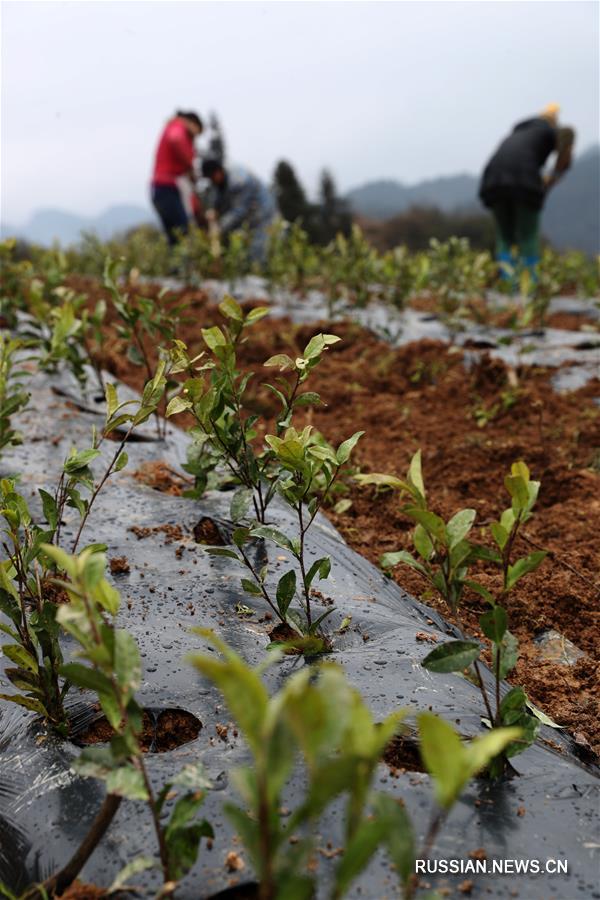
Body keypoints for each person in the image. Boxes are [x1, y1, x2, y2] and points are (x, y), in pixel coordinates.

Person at [479, 104, 575, 280]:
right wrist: (553, 175)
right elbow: (565, 146)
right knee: (528, 235)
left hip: (492, 180)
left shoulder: (518, 132)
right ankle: (529, 284)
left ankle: (507, 283)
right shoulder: (550, 131)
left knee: (505, 235)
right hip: (524, 180)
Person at [201, 159, 276, 264]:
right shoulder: (220, 182)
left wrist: (219, 227)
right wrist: (215, 210)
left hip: (262, 213)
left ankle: (260, 272)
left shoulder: (240, 180)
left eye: (211, 177)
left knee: (257, 250)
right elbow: (219, 197)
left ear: (218, 171)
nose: (211, 181)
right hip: (249, 217)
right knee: (242, 248)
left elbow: (239, 211)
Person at [151, 111, 203, 246]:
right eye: (196, 134)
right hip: (167, 188)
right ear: (192, 124)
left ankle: (177, 265)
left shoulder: (172, 127)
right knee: (182, 232)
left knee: (174, 237)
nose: (194, 139)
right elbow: (176, 139)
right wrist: (189, 163)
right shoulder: (178, 127)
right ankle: (183, 265)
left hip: (161, 188)